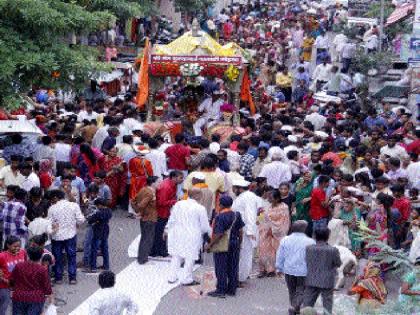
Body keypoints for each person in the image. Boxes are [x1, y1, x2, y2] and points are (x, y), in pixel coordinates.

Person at [167, 189, 211, 285]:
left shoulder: (178, 204)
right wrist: (208, 234)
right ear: (197, 196)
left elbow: (172, 218)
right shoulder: (200, 208)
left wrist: (167, 229)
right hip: (192, 235)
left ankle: (172, 277)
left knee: (176, 255)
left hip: (177, 233)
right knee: (190, 257)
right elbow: (204, 226)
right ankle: (186, 278)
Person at [206, 196, 245, 298]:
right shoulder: (237, 214)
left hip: (223, 244)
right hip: (234, 242)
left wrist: (210, 245)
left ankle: (221, 289)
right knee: (233, 266)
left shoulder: (220, 217)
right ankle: (232, 289)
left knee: (221, 267)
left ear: (221, 204)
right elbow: (241, 231)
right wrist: (239, 243)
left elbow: (219, 234)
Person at [276, 221, 316, 315]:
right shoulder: (310, 242)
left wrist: (279, 268)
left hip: (289, 270)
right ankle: (294, 307)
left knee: (292, 290)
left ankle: (294, 308)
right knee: (301, 290)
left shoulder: (285, 239)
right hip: (304, 271)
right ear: (304, 229)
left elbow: (280, 255)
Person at [48, 189, 85, 284]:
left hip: (57, 237)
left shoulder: (52, 208)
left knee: (57, 257)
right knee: (71, 256)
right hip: (71, 235)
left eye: (52, 199)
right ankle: (72, 278)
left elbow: (49, 223)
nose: (51, 201)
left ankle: (58, 278)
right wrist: (74, 224)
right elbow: (81, 220)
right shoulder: (74, 205)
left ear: (55, 198)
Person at [303, 228, 342, 315]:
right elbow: (338, 263)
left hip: (311, 279)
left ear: (315, 236)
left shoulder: (308, 248)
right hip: (327, 281)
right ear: (327, 237)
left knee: (307, 303)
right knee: (327, 305)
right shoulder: (333, 250)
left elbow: (306, 261)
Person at [232, 179, 261, 284]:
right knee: (243, 254)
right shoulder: (243, 197)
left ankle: (241, 278)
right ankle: (242, 275)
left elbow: (250, 215)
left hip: (246, 230)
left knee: (245, 254)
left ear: (239, 188)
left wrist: (249, 231)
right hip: (241, 229)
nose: (233, 190)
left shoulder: (248, 197)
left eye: (234, 188)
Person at [9, 245, 52, 315]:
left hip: (19, 296)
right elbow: (47, 288)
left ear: (28, 255)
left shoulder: (19, 266)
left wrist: (13, 289)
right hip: (36, 298)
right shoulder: (42, 270)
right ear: (40, 257)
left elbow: (12, 280)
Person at [152, 171, 183, 257]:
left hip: (165, 211)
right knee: (160, 232)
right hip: (161, 212)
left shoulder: (173, 184)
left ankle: (158, 250)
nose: (182, 180)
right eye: (180, 178)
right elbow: (161, 202)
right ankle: (159, 251)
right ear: (174, 177)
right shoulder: (166, 187)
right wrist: (176, 201)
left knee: (161, 231)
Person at [258, 190, 290, 277]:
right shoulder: (267, 207)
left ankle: (274, 269)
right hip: (265, 232)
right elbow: (261, 219)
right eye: (269, 197)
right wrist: (259, 215)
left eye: (271, 198)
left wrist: (273, 229)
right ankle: (265, 269)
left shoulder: (284, 207)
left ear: (277, 198)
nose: (269, 199)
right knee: (263, 250)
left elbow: (284, 222)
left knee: (276, 251)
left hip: (278, 233)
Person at [131, 176, 159, 264]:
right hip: (150, 217)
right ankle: (143, 259)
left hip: (144, 218)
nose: (159, 184)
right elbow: (142, 205)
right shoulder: (150, 193)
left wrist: (138, 211)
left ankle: (142, 257)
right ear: (153, 183)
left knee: (144, 238)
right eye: (158, 182)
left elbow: (133, 201)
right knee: (147, 239)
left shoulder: (143, 189)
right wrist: (139, 211)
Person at [0, 236, 26, 315]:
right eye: (15, 246)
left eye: (19, 246)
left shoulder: (22, 252)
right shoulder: (2, 256)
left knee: (18, 307)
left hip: (20, 286)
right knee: (4, 306)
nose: (17, 248)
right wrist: (5, 280)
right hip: (5, 286)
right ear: (8, 245)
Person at [86, 198, 112, 273]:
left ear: (100, 205)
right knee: (105, 249)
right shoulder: (109, 211)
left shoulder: (99, 213)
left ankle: (93, 267)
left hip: (98, 231)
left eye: (97, 205)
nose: (97, 207)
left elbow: (90, 220)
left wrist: (94, 220)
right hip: (105, 231)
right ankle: (106, 265)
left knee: (94, 249)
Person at [128, 152, 153, 216]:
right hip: (143, 180)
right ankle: (139, 212)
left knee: (132, 195)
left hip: (134, 179)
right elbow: (150, 173)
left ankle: (131, 211)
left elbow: (130, 169)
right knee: (142, 195)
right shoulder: (147, 161)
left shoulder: (132, 160)